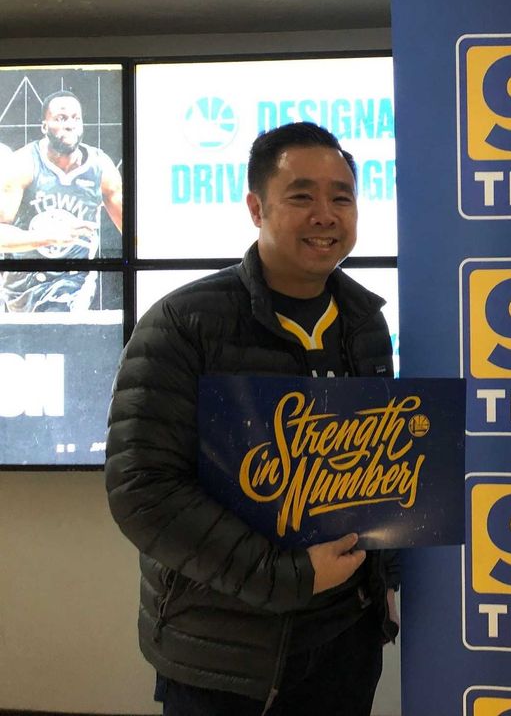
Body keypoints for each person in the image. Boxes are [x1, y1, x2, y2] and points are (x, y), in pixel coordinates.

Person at [105, 122, 398, 715]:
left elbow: (374, 471)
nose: (325, 214)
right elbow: (143, 491)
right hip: (223, 654)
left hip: (345, 639)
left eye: (341, 197)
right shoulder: (183, 323)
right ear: (256, 208)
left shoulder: (366, 324)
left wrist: (383, 577)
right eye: (302, 196)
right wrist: (286, 575)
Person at [0, 89, 123, 312]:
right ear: (44, 126)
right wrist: (46, 237)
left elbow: (133, 232)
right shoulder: (23, 164)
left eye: (76, 118)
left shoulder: (101, 167)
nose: (70, 125)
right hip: (24, 282)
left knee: (62, 312)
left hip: (74, 281)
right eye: (61, 118)